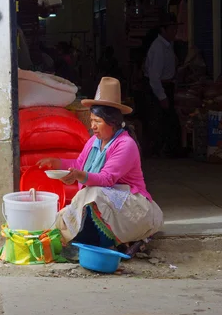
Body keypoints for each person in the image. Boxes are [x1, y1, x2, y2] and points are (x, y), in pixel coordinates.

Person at [37, 77, 164, 254]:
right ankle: (87, 241)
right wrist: (57, 163)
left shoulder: (125, 145)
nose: (93, 126)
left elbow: (106, 178)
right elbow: (79, 164)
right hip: (108, 200)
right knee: (81, 200)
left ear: (112, 122)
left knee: (92, 193)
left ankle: (103, 242)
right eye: (91, 121)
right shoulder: (93, 142)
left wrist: (78, 175)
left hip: (134, 207)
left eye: (98, 121)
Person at [143, 13, 182, 158]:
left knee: (166, 120)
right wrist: (162, 96)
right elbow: (154, 77)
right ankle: (157, 150)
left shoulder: (168, 45)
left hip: (166, 86)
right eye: (172, 29)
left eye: (175, 28)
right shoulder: (158, 47)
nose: (175, 32)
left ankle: (166, 149)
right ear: (163, 30)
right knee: (159, 120)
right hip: (159, 88)